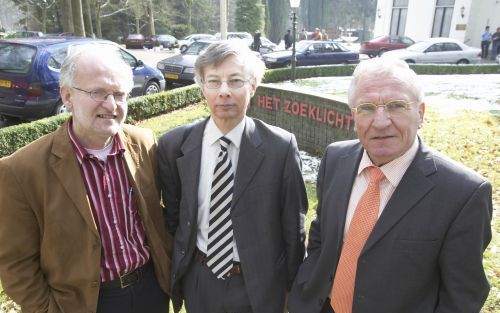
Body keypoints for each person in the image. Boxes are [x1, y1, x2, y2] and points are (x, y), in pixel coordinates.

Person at [288, 57, 492, 313]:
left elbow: (462, 296)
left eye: (396, 106)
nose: (381, 121)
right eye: (367, 107)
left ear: (421, 113)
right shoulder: (336, 159)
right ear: (354, 116)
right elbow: (321, 236)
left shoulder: (463, 193)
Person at [0, 46, 172, 313]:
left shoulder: (144, 142)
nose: (112, 105)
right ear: (67, 96)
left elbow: (157, 218)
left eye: (119, 94)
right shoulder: (21, 169)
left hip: (150, 291)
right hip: (83, 304)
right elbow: (16, 262)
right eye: (98, 93)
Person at [159, 41, 308, 313]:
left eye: (235, 80)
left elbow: (293, 229)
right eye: (213, 81)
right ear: (202, 87)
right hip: (200, 280)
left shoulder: (280, 147)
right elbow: (174, 218)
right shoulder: (174, 145)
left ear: (252, 86)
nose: (224, 92)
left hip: (260, 284)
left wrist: (291, 290)